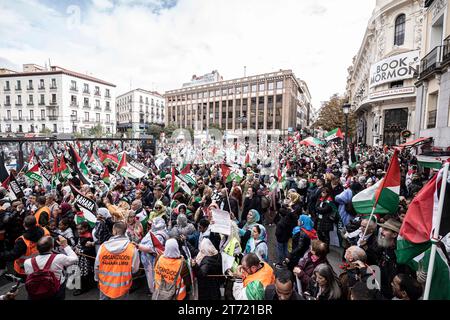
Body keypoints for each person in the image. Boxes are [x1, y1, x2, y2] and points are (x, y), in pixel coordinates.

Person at [94, 221, 140, 300]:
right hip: (122, 286)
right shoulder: (132, 248)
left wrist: (97, 279)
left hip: (105, 284)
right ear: (125, 231)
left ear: (114, 231)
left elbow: (97, 266)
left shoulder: (103, 247)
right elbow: (135, 269)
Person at [24, 235, 79, 300]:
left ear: (37, 247)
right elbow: (75, 259)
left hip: (36, 291)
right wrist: (65, 245)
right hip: (56, 290)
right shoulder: (59, 258)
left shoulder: (27, 262)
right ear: (52, 247)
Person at [137, 217, 168, 295]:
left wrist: (139, 247)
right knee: (150, 276)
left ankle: (155, 293)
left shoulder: (160, 235)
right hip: (148, 261)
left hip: (152, 261)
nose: (150, 225)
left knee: (154, 277)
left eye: (152, 223)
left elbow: (153, 249)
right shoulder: (154, 230)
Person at [73, 221, 96, 296]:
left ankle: (83, 288)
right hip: (79, 258)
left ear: (86, 228)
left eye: (81, 229)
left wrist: (79, 250)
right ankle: (80, 286)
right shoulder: (82, 235)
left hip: (85, 260)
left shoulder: (88, 237)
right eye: (78, 229)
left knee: (83, 274)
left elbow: (88, 250)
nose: (79, 231)